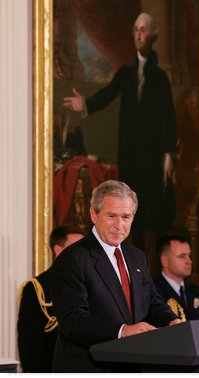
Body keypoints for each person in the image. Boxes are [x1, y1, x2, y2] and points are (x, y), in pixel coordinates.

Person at [63, 12, 177, 264]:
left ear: (153, 36)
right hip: (130, 153)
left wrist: (168, 153)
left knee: (152, 211)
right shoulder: (126, 73)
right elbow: (107, 94)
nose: (138, 35)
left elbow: (169, 116)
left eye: (143, 30)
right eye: (135, 30)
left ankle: (153, 265)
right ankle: (131, 262)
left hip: (153, 155)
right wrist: (85, 104)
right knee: (129, 212)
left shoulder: (160, 78)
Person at [50, 180, 184, 373]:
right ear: (94, 214)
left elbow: (152, 302)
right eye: (111, 216)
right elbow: (73, 321)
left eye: (126, 217)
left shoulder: (136, 256)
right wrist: (123, 331)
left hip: (133, 366)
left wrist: (171, 322)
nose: (119, 225)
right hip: (90, 368)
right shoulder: (72, 258)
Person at [17, 225, 84, 373]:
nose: (82, 253)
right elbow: (30, 346)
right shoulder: (36, 288)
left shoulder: (90, 284)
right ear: (58, 250)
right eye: (76, 247)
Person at [154, 235, 199, 321]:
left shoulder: (194, 290)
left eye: (189, 256)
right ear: (165, 260)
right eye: (182, 256)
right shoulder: (154, 291)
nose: (189, 261)